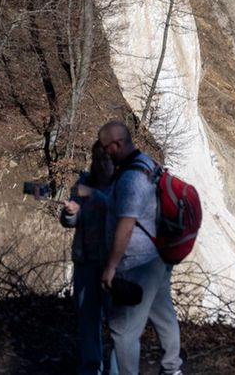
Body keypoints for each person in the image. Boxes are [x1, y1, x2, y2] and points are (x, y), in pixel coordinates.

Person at [98, 119, 183, 375]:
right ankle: (172, 369)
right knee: (163, 315)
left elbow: (126, 223)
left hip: (137, 263)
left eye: (106, 148)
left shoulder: (131, 178)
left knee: (123, 331)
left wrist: (111, 265)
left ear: (118, 143)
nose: (104, 153)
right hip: (157, 257)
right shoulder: (149, 164)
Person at [61, 141, 119, 375]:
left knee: (118, 323)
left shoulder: (123, 184)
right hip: (86, 260)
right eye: (98, 159)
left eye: (106, 160)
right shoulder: (83, 183)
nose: (102, 164)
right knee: (88, 318)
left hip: (115, 265)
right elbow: (67, 222)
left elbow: (120, 213)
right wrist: (70, 213)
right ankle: (91, 367)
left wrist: (95, 196)